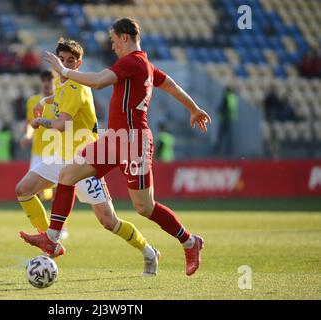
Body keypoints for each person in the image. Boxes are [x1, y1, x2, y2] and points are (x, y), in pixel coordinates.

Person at [20, 18, 212, 276]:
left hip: (134, 142)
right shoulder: (143, 65)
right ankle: (52, 238)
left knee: (144, 207)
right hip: (113, 139)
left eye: (113, 40)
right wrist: (194, 108)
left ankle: (190, 241)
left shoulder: (132, 61)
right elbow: (171, 85)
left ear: (125, 37)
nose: (112, 47)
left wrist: (63, 71)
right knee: (68, 175)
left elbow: (99, 81)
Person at [16, 38, 160, 276]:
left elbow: (62, 124)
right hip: (60, 157)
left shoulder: (76, 86)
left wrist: (41, 120)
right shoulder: (64, 86)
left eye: (70, 61)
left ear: (79, 63)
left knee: (109, 221)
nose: (65, 64)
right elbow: (60, 99)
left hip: (85, 162)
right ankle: (50, 241)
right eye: (61, 60)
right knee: (23, 189)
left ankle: (148, 251)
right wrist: (45, 101)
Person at [20, 69, 56, 201]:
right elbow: (30, 123)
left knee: (58, 191)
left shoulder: (61, 100)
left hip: (58, 152)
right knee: (33, 190)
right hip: (38, 152)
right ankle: (40, 221)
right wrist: (27, 136)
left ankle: (58, 222)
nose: (46, 83)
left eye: (50, 80)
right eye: (44, 80)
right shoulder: (33, 101)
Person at [213, 86, 238, 156]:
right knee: (228, 135)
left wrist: (218, 111)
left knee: (221, 135)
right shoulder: (232, 97)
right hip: (229, 118)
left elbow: (222, 107)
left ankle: (217, 151)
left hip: (225, 118)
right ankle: (229, 151)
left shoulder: (226, 97)